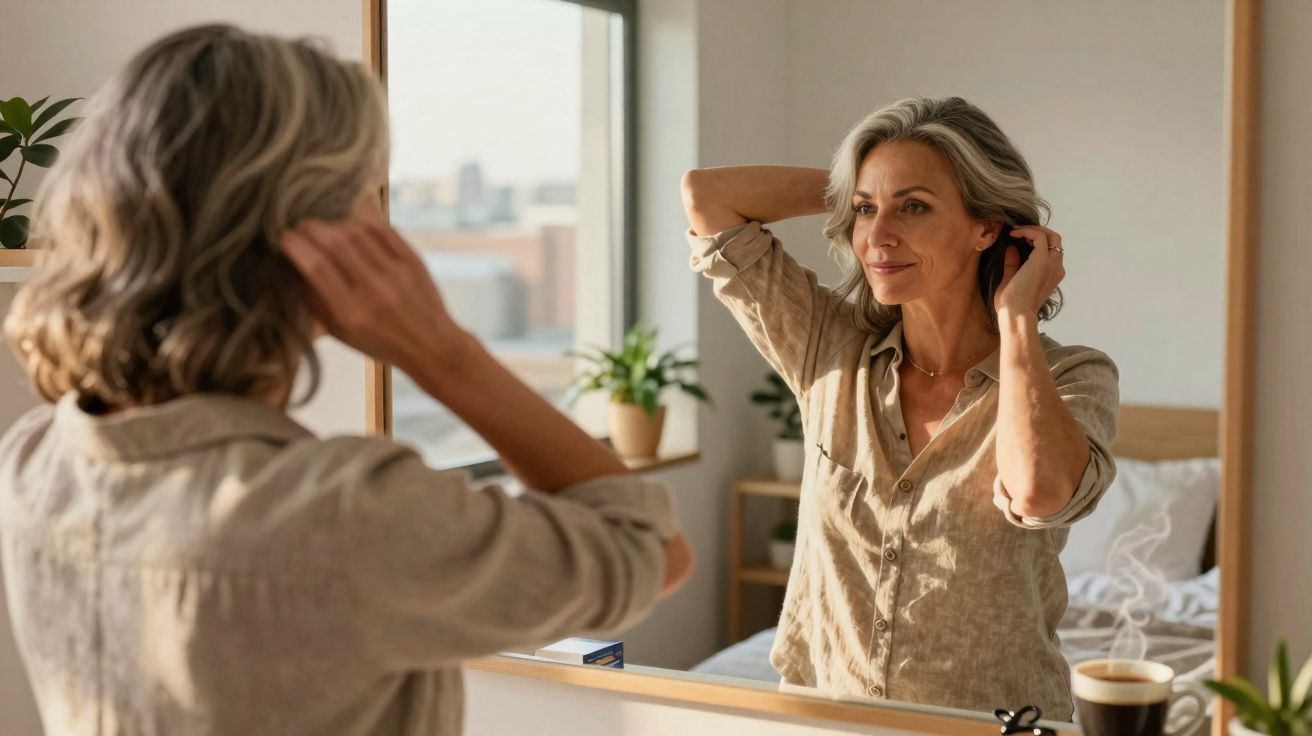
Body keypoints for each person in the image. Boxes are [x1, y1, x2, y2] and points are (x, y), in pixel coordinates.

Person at [0, 24, 691, 735]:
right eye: (369, 189)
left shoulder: (32, 460)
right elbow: (647, 546)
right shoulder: (339, 514)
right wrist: (441, 349)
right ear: (310, 232)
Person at [681, 96, 1118, 719]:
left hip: (995, 727)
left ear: (986, 226)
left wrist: (1016, 316)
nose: (878, 237)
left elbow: (1040, 493)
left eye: (914, 207)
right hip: (826, 724)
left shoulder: (1075, 376)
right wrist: (856, 188)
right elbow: (706, 197)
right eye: (864, 211)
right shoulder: (827, 347)